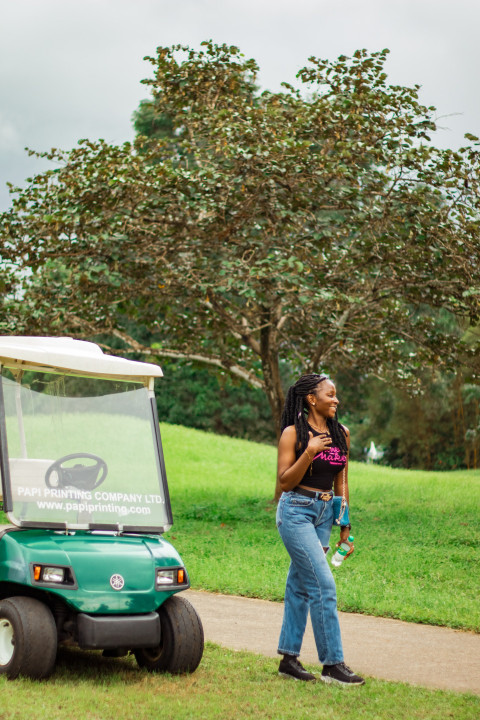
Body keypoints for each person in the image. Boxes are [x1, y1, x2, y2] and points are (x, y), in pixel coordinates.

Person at [276, 373, 365, 686]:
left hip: (325, 514)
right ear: (312, 399)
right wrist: (309, 451)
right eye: (330, 395)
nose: (336, 400)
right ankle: (332, 664)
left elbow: (342, 480)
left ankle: (289, 660)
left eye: (336, 395)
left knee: (300, 585)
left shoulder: (342, 433)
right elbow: (285, 481)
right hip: (295, 511)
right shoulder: (293, 434)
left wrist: (345, 525)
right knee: (323, 585)